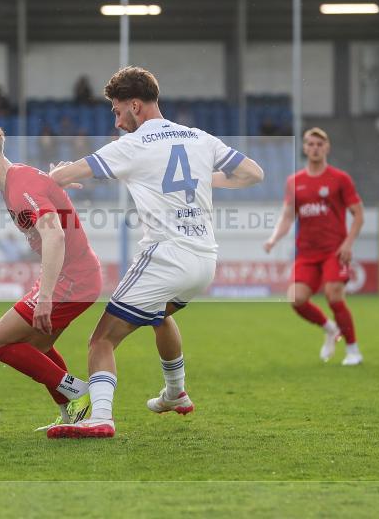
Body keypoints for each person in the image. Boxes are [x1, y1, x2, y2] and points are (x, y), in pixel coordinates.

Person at [46, 66, 264, 438]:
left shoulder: (133, 145)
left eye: (117, 112)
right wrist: (206, 180)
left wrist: (58, 172)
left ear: (134, 105)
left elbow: (61, 178)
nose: (116, 122)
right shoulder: (199, 137)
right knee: (159, 314)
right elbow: (254, 173)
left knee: (101, 340)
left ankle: (100, 417)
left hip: (165, 256)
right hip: (204, 259)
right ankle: (176, 394)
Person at [0, 118, 103, 430]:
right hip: (75, 278)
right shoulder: (19, 180)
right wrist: (54, 186)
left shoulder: (19, 188)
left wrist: (45, 297)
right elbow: (45, 198)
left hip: (72, 281)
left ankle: (79, 392)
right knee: (35, 348)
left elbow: (55, 236)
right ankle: (73, 410)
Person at [263, 128, 365, 365]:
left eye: (320, 144)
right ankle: (330, 329)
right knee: (296, 299)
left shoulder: (340, 179)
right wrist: (273, 238)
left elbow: (358, 215)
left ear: (327, 148)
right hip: (307, 253)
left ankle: (353, 350)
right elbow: (288, 216)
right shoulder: (294, 182)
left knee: (334, 295)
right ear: (305, 148)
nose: (315, 148)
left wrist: (349, 243)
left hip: (334, 250)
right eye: (310, 144)